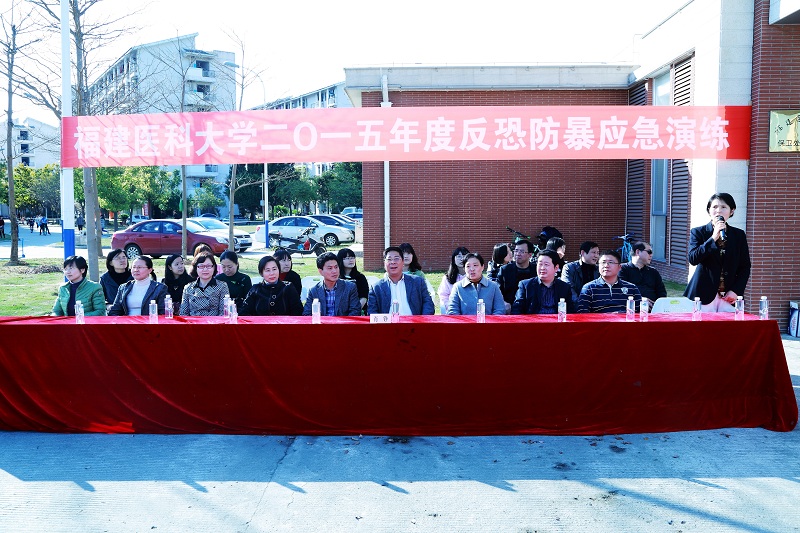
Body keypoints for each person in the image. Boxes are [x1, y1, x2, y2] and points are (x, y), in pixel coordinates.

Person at [684, 192, 751, 312]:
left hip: (729, 296)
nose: (719, 211)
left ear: (732, 211)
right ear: (709, 210)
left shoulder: (739, 235)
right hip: (703, 294)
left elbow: (745, 267)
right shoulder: (698, 232)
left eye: (724, 207)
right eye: (714, 207)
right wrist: (713, 238)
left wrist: (736, 290)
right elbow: (693, 258)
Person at [367, 246, 435, 315]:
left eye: (396, 259)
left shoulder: (418, 282)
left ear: (403, 262)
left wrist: (422, 320)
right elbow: (372, 312)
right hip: (387, 322)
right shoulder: (376, 288)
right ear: (384, 264)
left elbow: (428, 304)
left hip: (413, 321)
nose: (393, 262)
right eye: (389, 259)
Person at [512, 249, 575, 315]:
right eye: (540, 264)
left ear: (556, 268)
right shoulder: (526, 286)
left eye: (546, 264)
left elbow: (570, 312)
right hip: (533, 320)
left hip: (557, 321)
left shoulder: (564, 287)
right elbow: (516, 310)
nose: (542, 268)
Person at [577, 250, 641, 313]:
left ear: (619, 267)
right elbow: (582, 314)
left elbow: (640, 313)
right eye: (603, 262)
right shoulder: (589, 288)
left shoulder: (632, 288)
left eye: (611, 262)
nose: (606, 266)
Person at [302, 252, 361, 316]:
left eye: (336, 267)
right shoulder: (314, 291)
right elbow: (307, 314)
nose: (334, 271)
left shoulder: (350, 287)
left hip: (343, 322)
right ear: (321, 271)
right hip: (321, 322)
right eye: (330, 268)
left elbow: (355, 312)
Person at [497, 239, 537, 306]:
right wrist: (504, 303)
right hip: (510, 306)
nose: (518, 254)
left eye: (522, 251)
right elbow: (497, 292)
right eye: (516, 251)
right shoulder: (505, 270)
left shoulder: (536, 270)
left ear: (530, 255)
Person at [561, 240, 601, 305]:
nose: (596, 256)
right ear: (582, 253)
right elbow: (568, 288)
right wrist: (580, 304)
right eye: (594, 252)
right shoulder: (569, 267)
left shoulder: (599, 269)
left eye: (598, 253)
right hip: (575, 305)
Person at [438, 246, 470, 313]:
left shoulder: (473, 276)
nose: (462, 259)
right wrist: (451, 308)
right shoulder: (447, 278)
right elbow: (444, 296)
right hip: (452, 310)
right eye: (459, 256)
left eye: (464, 256)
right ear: (453, 259)